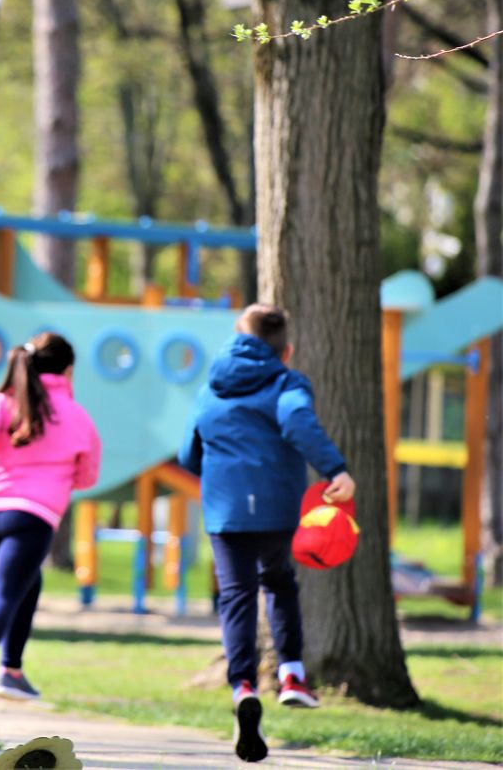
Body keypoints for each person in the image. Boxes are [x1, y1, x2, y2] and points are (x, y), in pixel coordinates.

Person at [178, 303, 356, 764]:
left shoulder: (210, 385)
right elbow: (298, 420)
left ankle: (241, 687)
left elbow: (187, 453)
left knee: (236, 595)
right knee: (279, 583)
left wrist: (217, 474)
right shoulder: (285, 381)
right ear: (287, 350)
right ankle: (292, 675)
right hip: (277, 507)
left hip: (225, 510)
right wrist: (335, 468)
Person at [0, 332, 101, 701]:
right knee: (5, 591)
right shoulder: (77, 417)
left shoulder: (3, 402)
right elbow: (88, 476)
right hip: (33, 516)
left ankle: (12, 670)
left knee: (26, 582)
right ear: (68, 371)